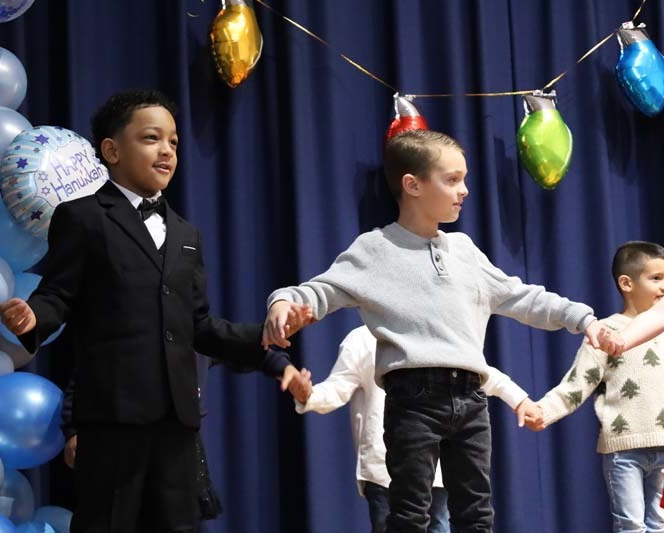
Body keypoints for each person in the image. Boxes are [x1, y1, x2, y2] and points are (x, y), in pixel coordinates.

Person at [0, 89, 311, 533]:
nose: (166, 150)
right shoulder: (84, 216)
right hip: (112, 416)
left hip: (176, 421)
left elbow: (199, 325)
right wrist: (33, 316)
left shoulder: (186, 233)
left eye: (174, 142)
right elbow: (59, 293)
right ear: (111, 151)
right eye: (151, 138)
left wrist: (262, 334)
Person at [262, 129, 601, 532]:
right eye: (452, 179)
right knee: (408, 513)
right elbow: (317, 291)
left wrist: (583, 318)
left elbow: (521, 296)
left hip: (470, 398)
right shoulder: (376, 249)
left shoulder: (464, 250)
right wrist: (282, 304)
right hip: (414, 399)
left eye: (465, 178)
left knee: (476, 513)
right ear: (413, 184)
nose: (465, 190)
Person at [296, 325, 539, 533]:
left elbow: (481, 372)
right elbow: (337, 388)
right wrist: (310, 394)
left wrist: (520, 399)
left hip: (439, 471)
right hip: (385, 471)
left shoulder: (436, 331)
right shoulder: (362, 339)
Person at [61, 350, 300, 522]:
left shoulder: (200, 333)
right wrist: (73, 430)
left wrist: (281, 365)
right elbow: (87, 373)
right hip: (124, 447)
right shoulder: (128, 328)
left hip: (179, 449)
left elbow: (243, 348)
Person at [534, 241, 664, 533]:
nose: (663, 287)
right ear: (626, 283)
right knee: (631, 525)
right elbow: (577, 384)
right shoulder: (605, 332)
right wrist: (543, 410)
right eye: (656, 278)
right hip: (625, 450)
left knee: (659, 526)